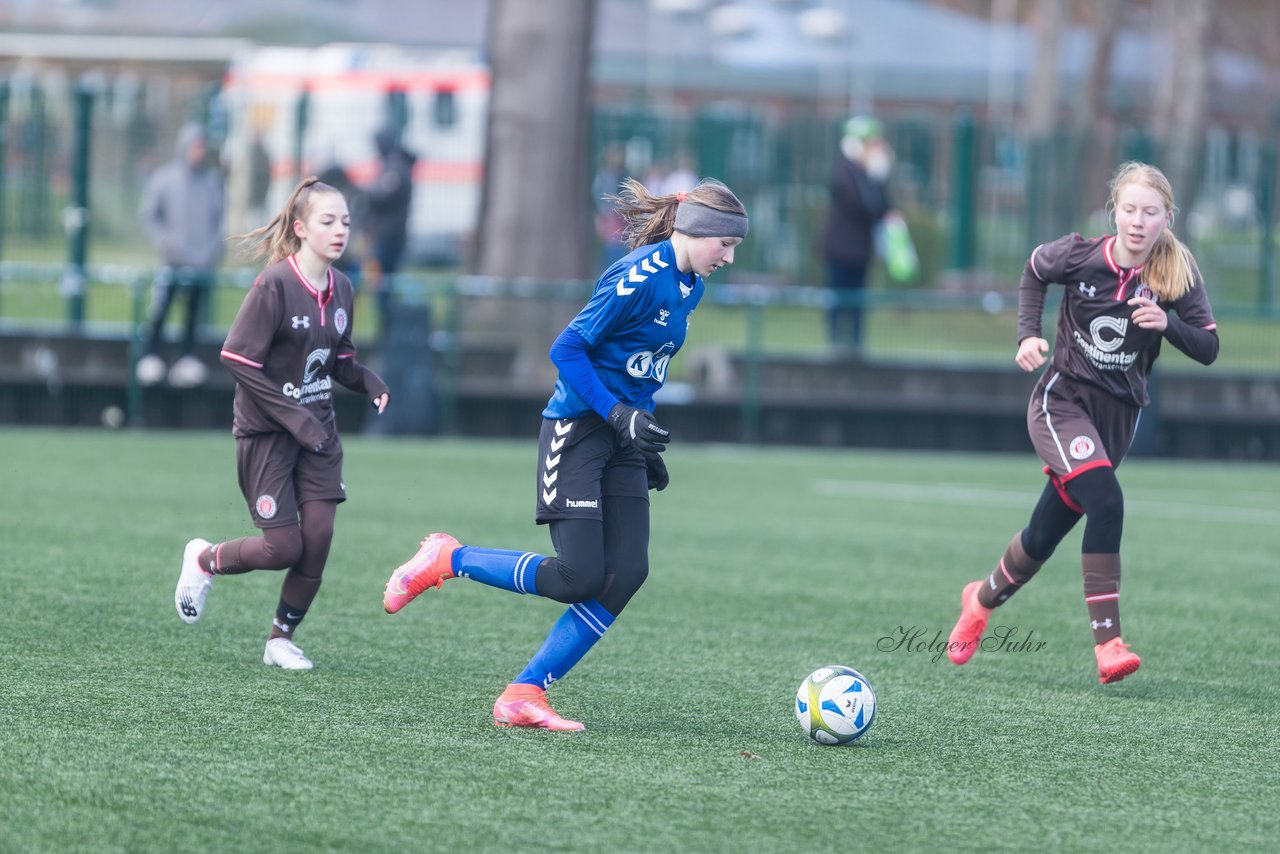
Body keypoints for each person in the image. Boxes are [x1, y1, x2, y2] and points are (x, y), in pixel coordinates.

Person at [382, 177, 748, 729]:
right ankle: (447, 558)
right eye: (726, 242)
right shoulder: (637, 279)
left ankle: (523, 693)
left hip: (619, 434)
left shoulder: (690, 285)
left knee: (627, 571)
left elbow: (640, 366)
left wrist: (641, 437)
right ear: (698, 230)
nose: (730, 255)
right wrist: (617, 414)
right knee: (578, 576)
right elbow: (567, 349)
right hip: (577, 428)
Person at [946, 162, 1218, 684]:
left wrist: (1169, 324)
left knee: (1042, 536)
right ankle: (1109, 643)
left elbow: (1208, 346)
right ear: (1114, 210)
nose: (1138, 221)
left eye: (1151, 212)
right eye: (1130, 209)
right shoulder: (1081, 254)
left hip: (1118, 418)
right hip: (1062, 400)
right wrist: (1028, 334)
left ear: (1168, 217)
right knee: (1108, 500)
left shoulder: (1176, 273)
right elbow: (1033, 270)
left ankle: (978, 601)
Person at [173, 177, 391, 670]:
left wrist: (370, 381)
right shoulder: (275, 284)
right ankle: (204, 559)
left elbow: (338, 361)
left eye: (346, 222)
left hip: (319, 435)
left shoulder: (343, 289)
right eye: (328, 221)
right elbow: (235, 357)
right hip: (267, 433)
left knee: (318, 539)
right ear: (301, 228)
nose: (340, 231)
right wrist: (294, 418)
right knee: (282, 546)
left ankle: (279, 640)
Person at [136, 122, 226, 388]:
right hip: (172, 261)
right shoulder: (165, 179)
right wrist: (166, 243)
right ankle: (151, 356)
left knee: (193, 313)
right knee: (161, 310)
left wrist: (212, 249)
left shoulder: (211, 182)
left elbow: (219, 220)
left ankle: (187, 357)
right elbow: (150, 216)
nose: (199, 152)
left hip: (201, 263)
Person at [820, 116, 895, 353]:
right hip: (841, 249)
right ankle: (835, 342)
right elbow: (860, 204)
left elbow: (881, 205)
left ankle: (855, 343)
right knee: (838, 296)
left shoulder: (870, 173)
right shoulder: (845, 169)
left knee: (858, 300)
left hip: (860, 250)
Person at [364, 126, 417, 336]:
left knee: (385, 286)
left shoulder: (396, 167)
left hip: (389, 238)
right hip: (386, 236)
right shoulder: (392, 165)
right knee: (381, 286)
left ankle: (388, 332)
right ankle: (385, 330)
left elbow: (381, 195)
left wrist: (365, 192)